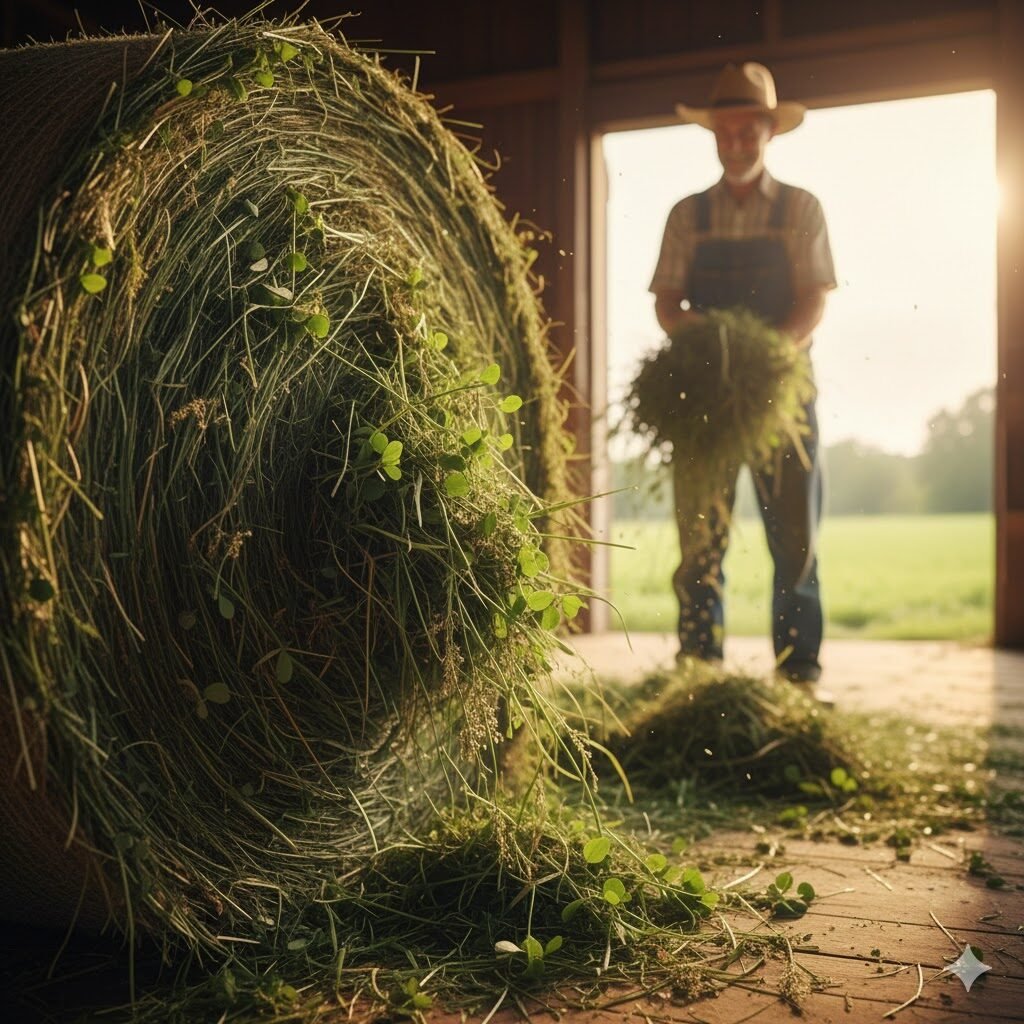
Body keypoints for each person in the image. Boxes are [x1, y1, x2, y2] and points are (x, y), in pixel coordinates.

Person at [648, 62, 836, 687]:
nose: (734, 143)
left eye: (746, 132)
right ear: (713, 135)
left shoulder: (801, 208)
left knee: (794, 537)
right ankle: (699, 667)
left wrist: (763, 357)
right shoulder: (687, 215)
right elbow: (666, 303)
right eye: (723, 132)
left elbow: (813, 298)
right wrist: (709, 346)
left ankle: (799, 671)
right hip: (702, 391)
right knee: (699, 536)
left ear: (768, 133)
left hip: (781, 390)